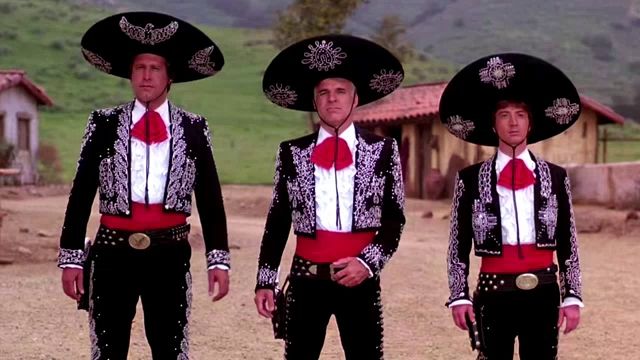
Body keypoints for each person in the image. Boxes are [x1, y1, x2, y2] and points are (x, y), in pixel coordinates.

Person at [57, 11, 230, 359]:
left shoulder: (194, 127)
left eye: (155, 68)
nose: (146, 75)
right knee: (107, 351)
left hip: (170, 255)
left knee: (170, 350)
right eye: (139, 67)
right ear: (130, 74)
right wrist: (71, 257)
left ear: (170, 76)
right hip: (111, 254)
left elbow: (210, 197)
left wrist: (218, 259)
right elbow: (81, 193)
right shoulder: (103, 123)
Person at [253, 34, 406, 359]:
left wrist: (368, 264)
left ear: (356, 98)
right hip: (306, 280)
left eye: (340, 91)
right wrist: (265, 279)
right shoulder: (292, 152)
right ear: (314, 100)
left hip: (359, 278)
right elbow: (278, 220)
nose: (332, 99)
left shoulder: (383, 150)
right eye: (323, 92)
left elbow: (394, 220)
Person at [439, 53, 584, 359]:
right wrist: (458, 296)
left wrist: (572, 295)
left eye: (520, 114)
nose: (513, 122)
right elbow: (457, 244)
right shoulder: (470, 178)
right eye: (504, 114)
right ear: (493, 125)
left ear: (531, 123)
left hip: (544, 292)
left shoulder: (556, 177)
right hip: (493, 292)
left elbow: (569, 242)